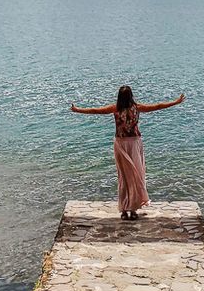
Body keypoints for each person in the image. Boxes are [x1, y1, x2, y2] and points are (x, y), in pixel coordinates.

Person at [70, 85, 185, 220]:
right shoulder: (136, 107)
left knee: (124, 176)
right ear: (131, 96)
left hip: (122, 143)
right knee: (135, 175)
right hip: (133, 143)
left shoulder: (116, 108)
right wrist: (175, 102)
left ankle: (127, 209)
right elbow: (158, 106)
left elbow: (95, 110)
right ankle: (131, 209)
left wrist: (78, 110)